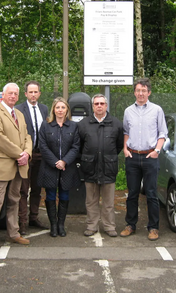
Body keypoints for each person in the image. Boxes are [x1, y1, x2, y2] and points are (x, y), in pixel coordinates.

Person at [0, 83, 32, 254]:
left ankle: (13, 233)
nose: (13, 96)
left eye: (16, 94)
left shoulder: (19, 114)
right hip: (3, 165)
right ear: (3, 94)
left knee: (14, 201)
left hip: (19, 166)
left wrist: (27, 153)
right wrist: (20, 154)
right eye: (10, 93)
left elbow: (27, 136)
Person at [120, 78, 167, 241]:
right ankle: (130, 225)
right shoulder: (128, 111)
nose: (141, 93)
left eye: (144, 90)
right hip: (132, 157)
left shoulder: (157, 110)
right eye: (138, 90)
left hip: (150, 157)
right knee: (132, 193)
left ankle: (153, 228)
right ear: (134, 92)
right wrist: (125, 149)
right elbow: (126, 131)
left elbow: (163, 133)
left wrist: (157, 151)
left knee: (151, 194)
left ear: (149, 92)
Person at [78, 94, 124, 238]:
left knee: (108, 202)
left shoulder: (116, 124)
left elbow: (119, 145)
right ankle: (91, 226)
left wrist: (107, 156)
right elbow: (79, 146)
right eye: (96, 103)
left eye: (102, 103)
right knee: (91, 201)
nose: (99, 106)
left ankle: (109, 226)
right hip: (89, 167)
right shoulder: (83, 124)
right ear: (92, 106)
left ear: (106, 105)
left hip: (108, 168)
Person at [38, 97, 80, 237]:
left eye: (63, 107)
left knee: (64, 194)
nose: (60, 110)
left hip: (67, 167)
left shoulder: (73, 126)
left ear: (67, 109)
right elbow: (42, 146)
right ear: (53, 110)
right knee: (50, 195)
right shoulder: (46, 125)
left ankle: (61, 224)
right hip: (50, 166)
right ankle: (53, 225)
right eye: (57, 107)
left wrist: (64, 161)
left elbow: (76, 147)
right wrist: (55, 161)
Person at [15, 81, 49, 235]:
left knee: (37, 188)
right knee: (23, 189)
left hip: (41, 155)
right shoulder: (18, 110)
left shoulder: (44, 109)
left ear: (39, 93)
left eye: (36, 92)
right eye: (31, 92)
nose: (33, 94)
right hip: (25, 155)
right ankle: (22, 222)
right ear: (26, 94)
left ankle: (33, 217)